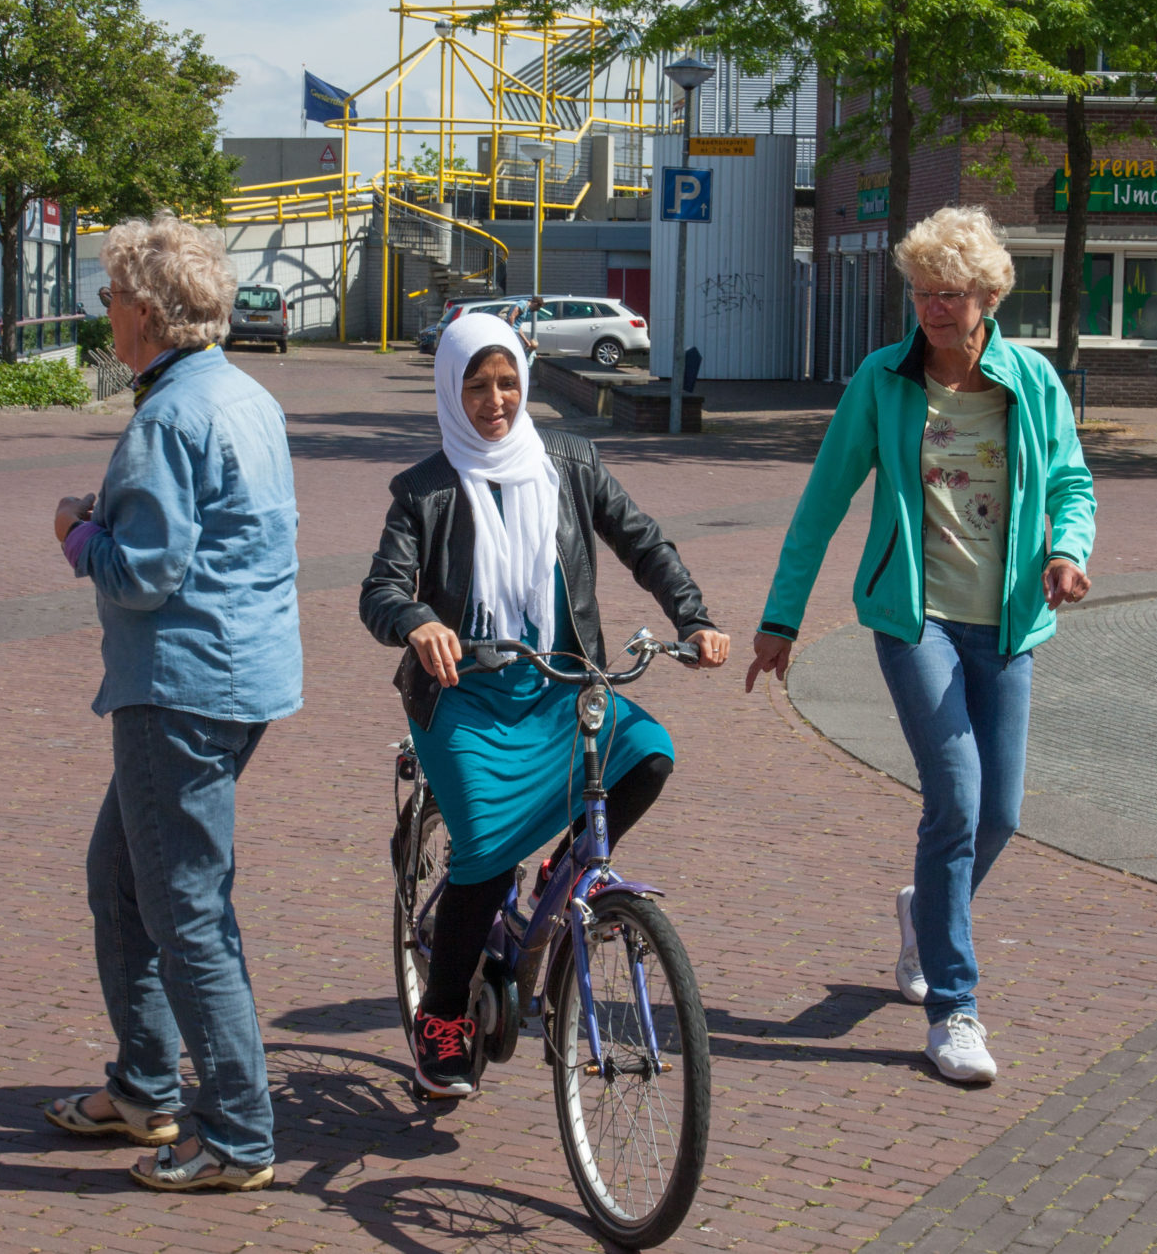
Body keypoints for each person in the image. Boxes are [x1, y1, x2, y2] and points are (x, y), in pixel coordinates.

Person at [746, 207, 1096, 1085]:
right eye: (920, 291)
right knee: (957, 799)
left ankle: (923, 913)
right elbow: (822, 502)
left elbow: (1070, 479)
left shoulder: (1031, 382)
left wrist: (1067, 549)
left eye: (948, 294)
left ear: (987, 297)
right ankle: (954, 1008)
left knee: (1001, 813)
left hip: (1009, 622)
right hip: (916, 621)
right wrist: (781, 619)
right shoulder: (882, 380)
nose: (931, 309)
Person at [360, 311, 730, 1096]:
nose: (494, 399)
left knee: (652, 750)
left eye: (505, 382)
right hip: (462, 701)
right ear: (450, 390)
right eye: (476, 384)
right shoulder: (423, 490)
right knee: (487, 848)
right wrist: (419, 620)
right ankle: (445, 1011)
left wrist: (692, 618)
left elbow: (644, 542)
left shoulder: (570, 461)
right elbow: (380, 589)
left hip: (560, 687)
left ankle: (563, 870)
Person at [42, 214, 301, 1193]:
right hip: (243, 677)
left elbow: (143, 572)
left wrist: (74, 532)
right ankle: (146, 1083)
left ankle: (237, 1132)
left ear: (144, 315)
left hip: (182, 686)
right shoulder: (245, 396)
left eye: (110, 298)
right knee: (122, 878)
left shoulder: (166, 416)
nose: (103, 311)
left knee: (186, 907)